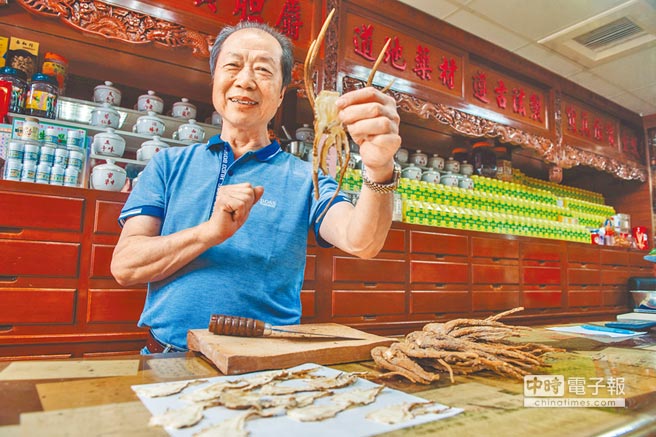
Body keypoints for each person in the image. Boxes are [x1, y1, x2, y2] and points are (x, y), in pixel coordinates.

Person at [110, 20, 402, 353]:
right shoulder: (168, 164)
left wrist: (379, 167)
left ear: (281, 94)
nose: (245, 81)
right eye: (232, 66)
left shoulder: (306, 178)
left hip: (264, 364)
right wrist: (210, 233)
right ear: (215, 80)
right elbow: (126, 266)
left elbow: (362, 241)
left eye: (263, 70)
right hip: (166, 358)